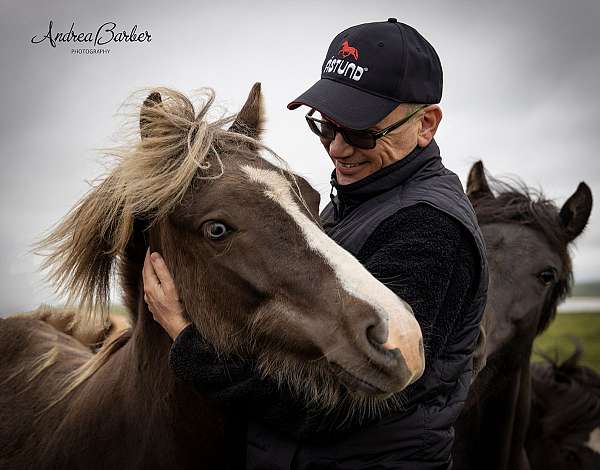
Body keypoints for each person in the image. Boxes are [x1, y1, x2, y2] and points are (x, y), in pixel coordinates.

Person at [143, 19, 488, 469]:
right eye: (325, 126)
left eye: (362, 132)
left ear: (426, 124)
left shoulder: (429, 228)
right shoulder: (357, 202)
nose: (337, 149)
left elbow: (340, 403)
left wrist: (188, 342)